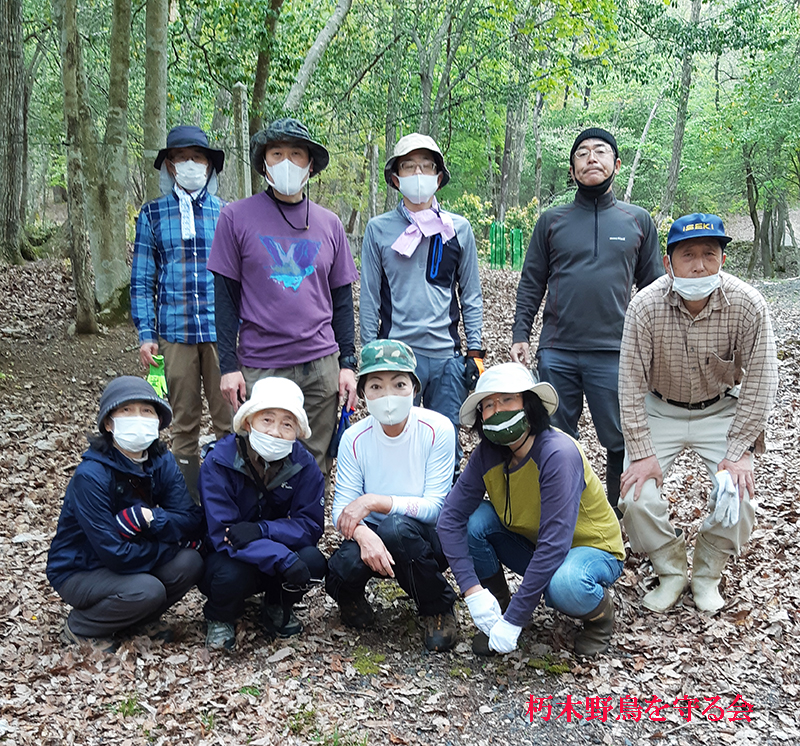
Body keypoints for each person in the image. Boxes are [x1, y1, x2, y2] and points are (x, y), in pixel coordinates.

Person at [618, 213, 778, 614]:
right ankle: (670, 568)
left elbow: (762, 379)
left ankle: (707, 570)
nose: (700, 265)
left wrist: (741, 448)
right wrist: (641, 450)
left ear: (723, 259)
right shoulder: (645, 306)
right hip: (660, 407)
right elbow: (629, 383)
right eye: (688, 255)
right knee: (636, 495)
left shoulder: (747, 304)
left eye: (710, 253)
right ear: (669, 262)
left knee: (738, 495)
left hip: (720, 409)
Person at [510, 127, 663, 514]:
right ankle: (566, 515)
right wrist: (520, 333)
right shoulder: (552, 221)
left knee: (620, 439)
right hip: (558, 350)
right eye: (581, 153)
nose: (591, 158)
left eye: (600, 151)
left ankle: (615, 516)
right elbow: (532, 280)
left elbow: (654, 290)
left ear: (616, 163)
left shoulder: (637, 221)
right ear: (573, 169)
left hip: (616, 352)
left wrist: (657, 347)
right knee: (557, 438)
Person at [437, 363, 625, 657]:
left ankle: (600, 617)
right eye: (488, 405)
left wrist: (516, 620)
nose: (497, 410)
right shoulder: (487, 454)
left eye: (508, 399)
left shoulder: (557, 454)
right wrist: (472, 592)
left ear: (530, 404)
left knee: (565, 584)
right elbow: (449, 518)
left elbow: (555, 544)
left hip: (591, 549)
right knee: (474, 522)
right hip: (535, 544)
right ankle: (496, 610)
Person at [208, 118, 359, 477]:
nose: (287, 162)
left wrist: (348, 363)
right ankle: (259, 531)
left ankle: (304, 531)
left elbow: (341, 299)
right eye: (277, 154)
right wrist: (228, 366)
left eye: (296, 154)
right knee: (257, 456)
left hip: (320, 363)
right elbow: (225, 298)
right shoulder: (236, 218)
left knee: (314, 461)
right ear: (264, 164)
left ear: (310, 165)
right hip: (261, 363)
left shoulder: (329, 223)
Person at [46, 377, 205, 653]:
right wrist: (166, 544)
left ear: (158, 420)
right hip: (81, 568)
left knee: (190, 561)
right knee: (147, 589)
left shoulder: (161, 461)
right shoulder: (91, 475)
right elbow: (115, 554)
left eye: (147, 411)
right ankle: (82, 626)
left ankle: (137, 621)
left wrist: (153, 519)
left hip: (134, 554)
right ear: (109, 423)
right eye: (127, 411)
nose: (138, 418)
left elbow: (190, 519)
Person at [325, 340, 459, 652]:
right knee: (338, 570)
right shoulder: (353, 439)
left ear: (414, 388)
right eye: (376, 386)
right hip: (374, 532)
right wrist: (361, 534)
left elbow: (436, 507)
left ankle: (438, 607)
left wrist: (373, 501)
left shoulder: (437, 428)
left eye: (399, 384)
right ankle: (353, 600)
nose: (388, 396)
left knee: (396, 528)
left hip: (424, 537)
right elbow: (341, 509)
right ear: (363, 394)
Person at [359, 133, 483, 464]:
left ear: (438, 177)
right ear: (395, 177)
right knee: (396, 441)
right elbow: (370, 296)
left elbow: (470, 293)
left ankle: (446, 512)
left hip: (446, 357)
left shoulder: (457, 229)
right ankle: (397, 510)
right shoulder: (379, 229)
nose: (418, 174)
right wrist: (370, 356)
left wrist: (476, 351)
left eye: (426, 167)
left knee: (445, 441)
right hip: (396, 356)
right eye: (409, 166)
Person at [131, 125, 232, 503]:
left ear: (209, 165)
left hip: (221, 333)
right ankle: (188, 503)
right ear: (170, 165)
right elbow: (142, 279)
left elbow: (240, 279)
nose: (191, 165)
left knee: (229, 421)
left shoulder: (227, 213)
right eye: (182, 158)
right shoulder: (153, 214)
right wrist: (146, 333)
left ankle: (228, 497)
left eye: (199, 158)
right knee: (183, 423)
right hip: (174, 333)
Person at [198, 377, 326, 650]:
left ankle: (276, 605)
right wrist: (280, 557)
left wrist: (264, 530)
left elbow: (311, 524)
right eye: (267, 420)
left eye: (287, 424)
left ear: (297, 432)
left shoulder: (306, 466)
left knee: (313, 561)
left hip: (275, 551)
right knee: (229, 574)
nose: (276, 432)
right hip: (228, 555)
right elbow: (223, 532)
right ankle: (220, 616)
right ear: (248, 422)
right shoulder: (218, 462)